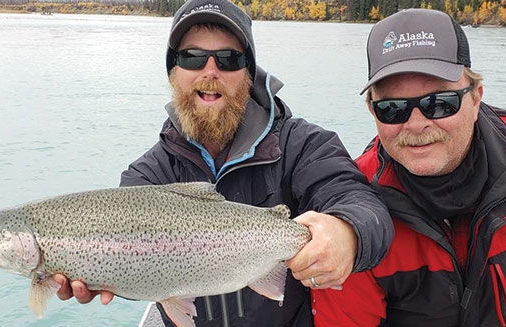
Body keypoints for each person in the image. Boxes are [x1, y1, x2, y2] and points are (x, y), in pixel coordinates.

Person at [53, 0, 393, 326]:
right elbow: (130, 257)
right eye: (193, 57)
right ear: (174, 71)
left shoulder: (302, 145)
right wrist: (98, 271)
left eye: (228, 59)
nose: (210, 71)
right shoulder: (148, 175)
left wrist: (348, 233)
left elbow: (363, 205)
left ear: (248, 72)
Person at [312, 8, 506, 327]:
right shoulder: (352, 217)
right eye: (393, 109)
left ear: (476, 98)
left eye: (440, 103)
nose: (416, 125)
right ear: (372, 113)